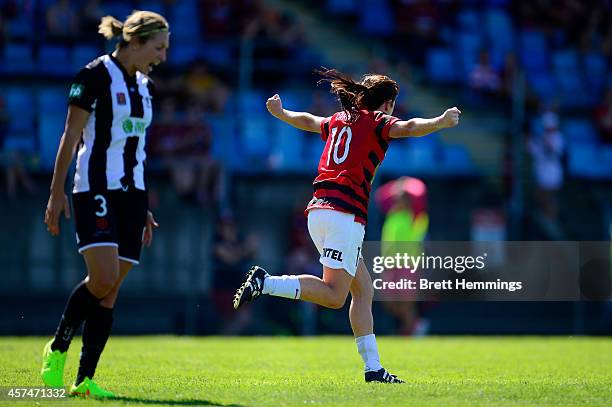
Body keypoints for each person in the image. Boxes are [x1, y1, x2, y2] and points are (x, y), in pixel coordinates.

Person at [233, 68, 460, 383]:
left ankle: (374, 369)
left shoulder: (341, 119)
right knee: (334, 295)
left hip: (320, 211)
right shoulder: (378, 121)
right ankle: (266, 282)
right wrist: (440, 122)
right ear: (388, 103)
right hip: (343, 215)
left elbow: (311, 122)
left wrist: (282, 113)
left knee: (363, 290)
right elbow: (408, 128)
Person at [41, 10, 169, 398]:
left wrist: (142, 203)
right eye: (158, 47)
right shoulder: (93, 76)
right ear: (135, 41)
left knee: (110, 289)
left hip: (132, 195)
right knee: (101, 278)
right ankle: (58, 347)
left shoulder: (145, 85)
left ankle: (84, 379)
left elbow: (139, 148)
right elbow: (70, 135)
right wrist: (55, 191)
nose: (163, 56)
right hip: (94, 187)